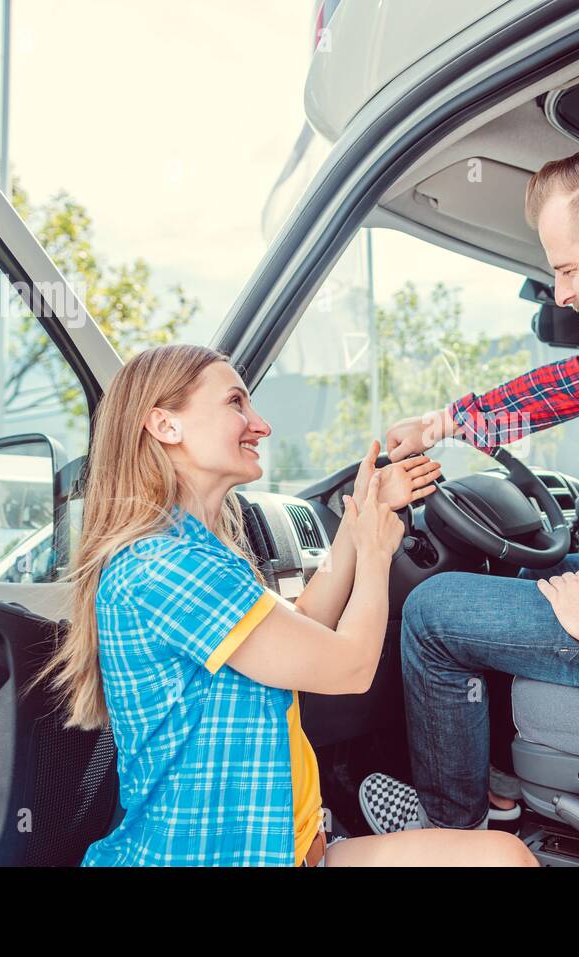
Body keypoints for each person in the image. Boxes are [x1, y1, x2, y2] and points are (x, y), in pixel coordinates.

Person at [34, 343, 537, 867]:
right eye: (236, 403)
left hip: (296, 850)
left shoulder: (198, 553)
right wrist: (373, 551)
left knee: (503, 857)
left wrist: (360, 516)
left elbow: (300, 628)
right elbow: (349, 667)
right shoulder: (164, 566)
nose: (261, 425)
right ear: (165, 425)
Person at [360, 141, 579, 833]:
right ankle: (504, 791)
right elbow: (565, 387)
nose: (564, 293)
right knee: (530, 569)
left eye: (568, 268)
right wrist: (444, 424)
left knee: (431, 612)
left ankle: (456, 832)